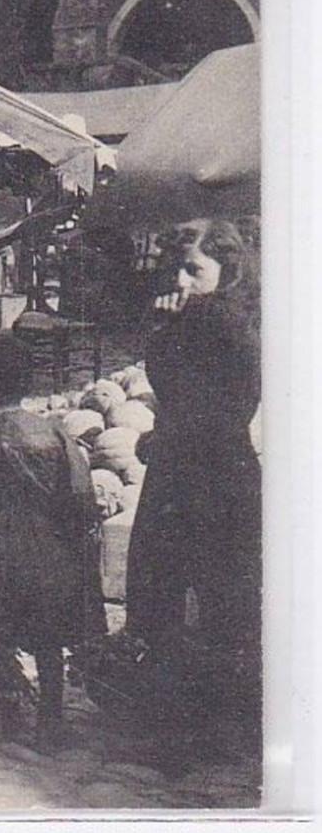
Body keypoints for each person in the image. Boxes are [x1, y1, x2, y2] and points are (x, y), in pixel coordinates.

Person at [0, 333, 106, 740]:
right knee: (48, 643)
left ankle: (6, 718)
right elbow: (81, 498)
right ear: (27, 385)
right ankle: (51, 718)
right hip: (48, 565)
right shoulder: (54, 434)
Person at [125, 219, 262, 666]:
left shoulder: (204, 318)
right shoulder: (234, 317)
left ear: (227, 268)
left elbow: (177, 393)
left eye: (194, 270)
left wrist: (163, 330)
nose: (182, 282)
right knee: (225, 607)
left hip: (194, 475)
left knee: (163, 596)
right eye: (177, 271)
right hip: (220, 470)